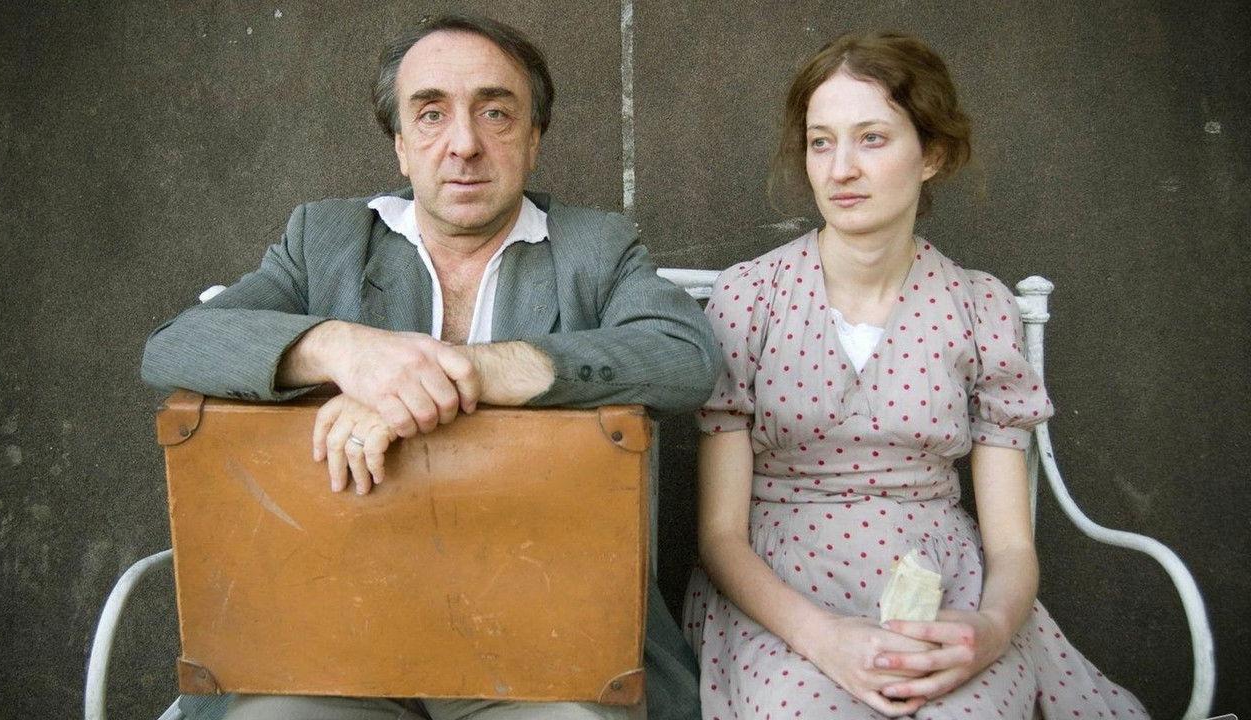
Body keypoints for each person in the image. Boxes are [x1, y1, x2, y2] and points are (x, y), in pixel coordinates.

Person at [141, 14, 716, 720]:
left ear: (534, 140)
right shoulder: (325, 239)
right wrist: (345, 351)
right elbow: (177, 344)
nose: (464, 144)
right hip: (331, 638)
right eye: (431, 113)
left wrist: (470, 371)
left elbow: (683, 355)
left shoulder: (594, 247)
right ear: (401, 146)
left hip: (540, 643)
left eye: (496, 113)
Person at [683, 32, 1150, 719]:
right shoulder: (750, 299)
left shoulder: (978, 307)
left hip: (942, 583)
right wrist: (826, 639)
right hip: (784, 593)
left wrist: (989, 629)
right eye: (820, 142)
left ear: (931, 154)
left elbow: (1010, 543)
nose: (841, 169)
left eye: (871, 139)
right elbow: (720, 536)